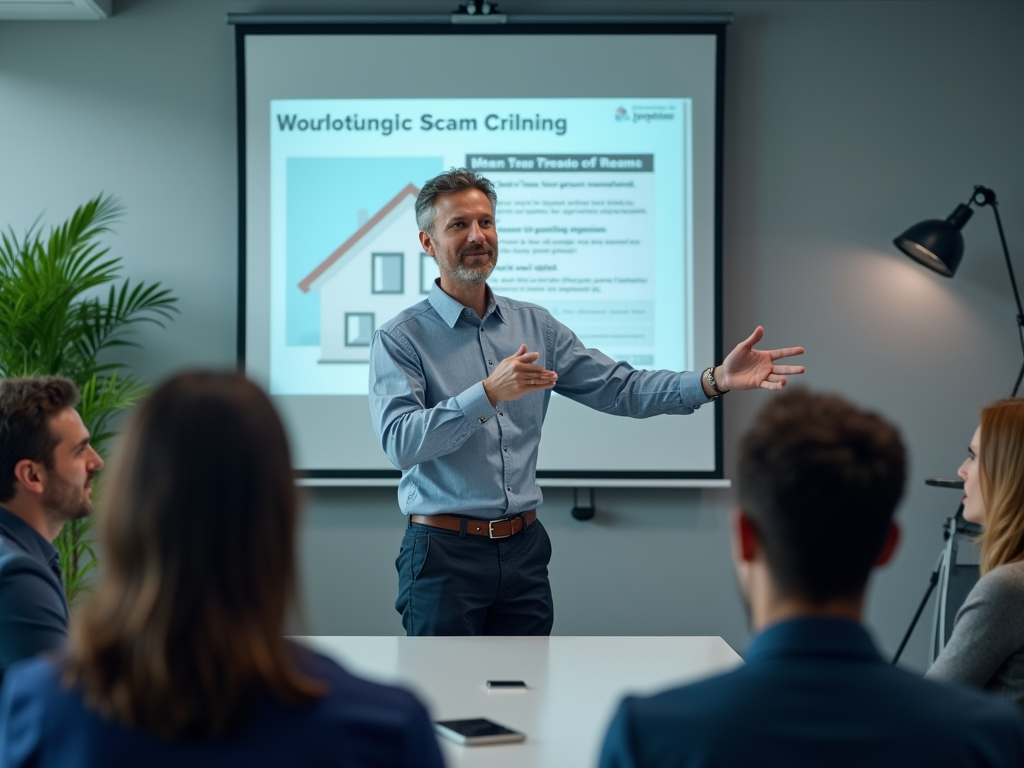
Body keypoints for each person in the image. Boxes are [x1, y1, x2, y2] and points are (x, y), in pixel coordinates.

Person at [369, 168, 806, 637]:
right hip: (442, 552)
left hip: (524, 550)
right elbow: (401, 442)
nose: (477, 236)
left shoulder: (534, 325)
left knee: (525, 698)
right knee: (447, 699)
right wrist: (489, 392)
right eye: (458, 225)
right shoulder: (401, 338)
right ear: (428, 242)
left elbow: (620, 388)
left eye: (486, 222)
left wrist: (714, 379)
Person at [0, 372, 444, 768]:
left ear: (126, 516)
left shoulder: (42, 707)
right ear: (281, 518)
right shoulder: (385, 730)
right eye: (82, 450)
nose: (95, 461)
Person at [598, 388, 1024, 768]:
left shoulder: (648, 734)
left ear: (745, 538)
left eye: (973, 456)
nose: (962, 470)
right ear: (887, 546)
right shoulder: (986, 736)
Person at [0, 376, 103, 687]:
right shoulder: (17, 577)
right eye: (80, 450)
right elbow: (72, 706)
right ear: (32, 475)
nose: (96, 461)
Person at [927, 398, 1024, 711]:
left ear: (1007, 470)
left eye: (973, 456)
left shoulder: (1007, 588)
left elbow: (925, 709)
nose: (961, 470)